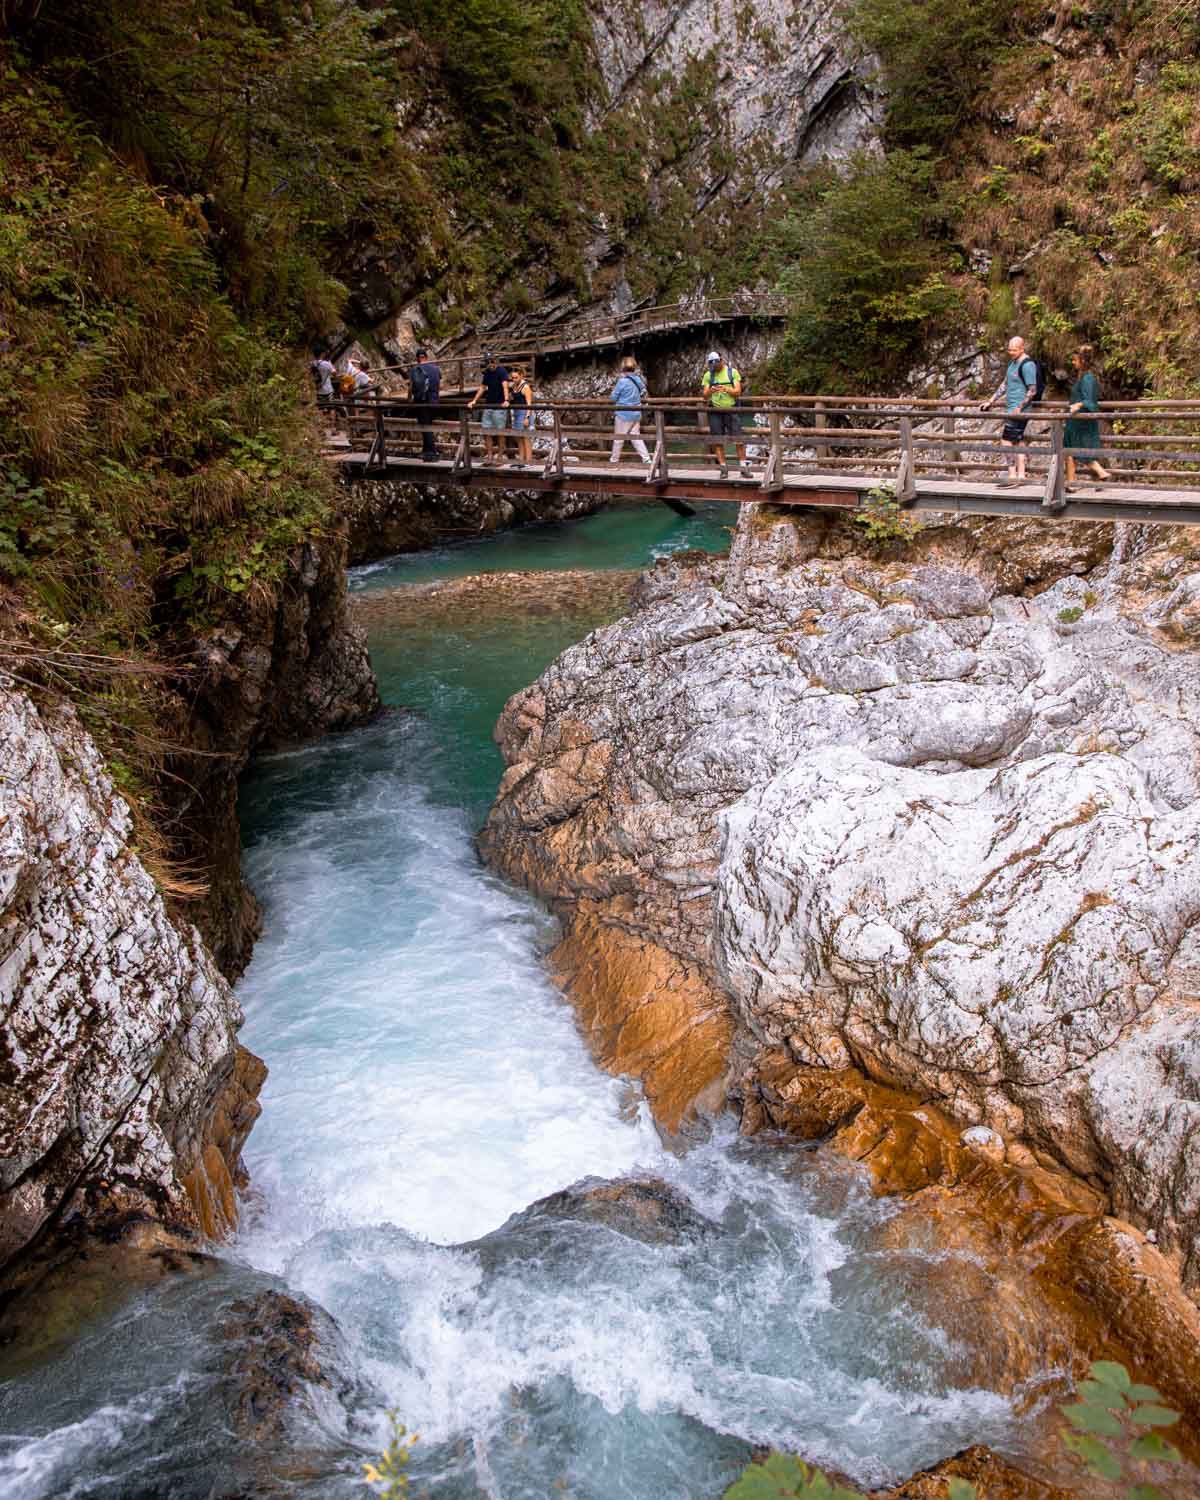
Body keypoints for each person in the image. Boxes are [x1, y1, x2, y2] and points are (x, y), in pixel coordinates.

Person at [980, 335, 1039, 486]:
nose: (1011, 353)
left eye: (1014, 350)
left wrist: (1019, 408)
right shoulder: (1012, 363)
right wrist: (991, 401)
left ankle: (1012, 475)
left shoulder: (1027, 365)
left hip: (1019, 411)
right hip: (1011, 408)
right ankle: (1021, 476)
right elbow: (1005, 384)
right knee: (1018, 441)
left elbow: (1032, 390)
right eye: (1009, 350)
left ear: (1022, 348)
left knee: (1006, 440)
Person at [1064, 344, 1110, 488]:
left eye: (1075, 360)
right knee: (1071, 449)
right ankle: (1073, 482)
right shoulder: (1083, 376)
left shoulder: (1088, 378)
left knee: (1073, 449)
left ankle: (1097, 473)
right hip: (1076, 419)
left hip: (1081, 420)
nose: (1073, 363)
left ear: (1082, 361)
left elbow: (1089, 400)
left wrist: (1078, 405)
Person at [702, 351, 751, 478]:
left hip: (731, 409)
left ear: (721, 360)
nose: (715, 366)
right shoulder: (708, 375)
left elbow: (738, 391)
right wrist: (711, 390)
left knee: (738, 440)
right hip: (715, 411)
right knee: (718, 441)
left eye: (717, 363)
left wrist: (726, 389)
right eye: (712, 364)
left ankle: (743, 468)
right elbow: (705, 395)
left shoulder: (732, 372)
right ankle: (723, 468)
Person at [467, 351, 510, 466]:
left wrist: (506, 400)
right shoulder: (487, 373)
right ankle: (490, 456)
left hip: (499, 406)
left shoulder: (501, 371)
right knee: (487, 431)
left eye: (492, 361)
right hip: (488, 405)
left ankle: (500, 457)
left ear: (495, 360)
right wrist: (474, 400)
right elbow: (482, 387)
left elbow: (505, 385)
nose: (490, 363)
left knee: (500, 432)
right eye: (488, 361)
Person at [609, 356, 651, 465]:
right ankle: (646, 459)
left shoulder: (622, 382)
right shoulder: (638, 379)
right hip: (636, 413)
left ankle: (614, 461)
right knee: (636, 437)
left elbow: (613, 398)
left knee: (618, 438)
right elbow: (643, 392)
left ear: (623, 368)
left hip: (623, 413)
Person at [409, 347, 442, 461]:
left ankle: (431, 453)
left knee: (425, 427)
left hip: (422, 402)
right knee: (429, 426)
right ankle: (426, 450)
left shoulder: (415, 370)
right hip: (434, 401)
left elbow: (413, 387)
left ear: (418, 358)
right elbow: (439, 382)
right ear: (426, 357)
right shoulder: (436, 368)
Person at [507, 365, 534, 468]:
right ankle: (521, 460)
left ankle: (529, 461)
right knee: (518, 437)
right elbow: (513, 398)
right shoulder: (514, 386)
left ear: (521, 376)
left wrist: (527, 417)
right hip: (516, 413)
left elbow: (529, 404)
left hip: (524, 413)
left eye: (516, 378)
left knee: (526, 437)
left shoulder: (525, 387)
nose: (514, 380)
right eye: (512, 378)